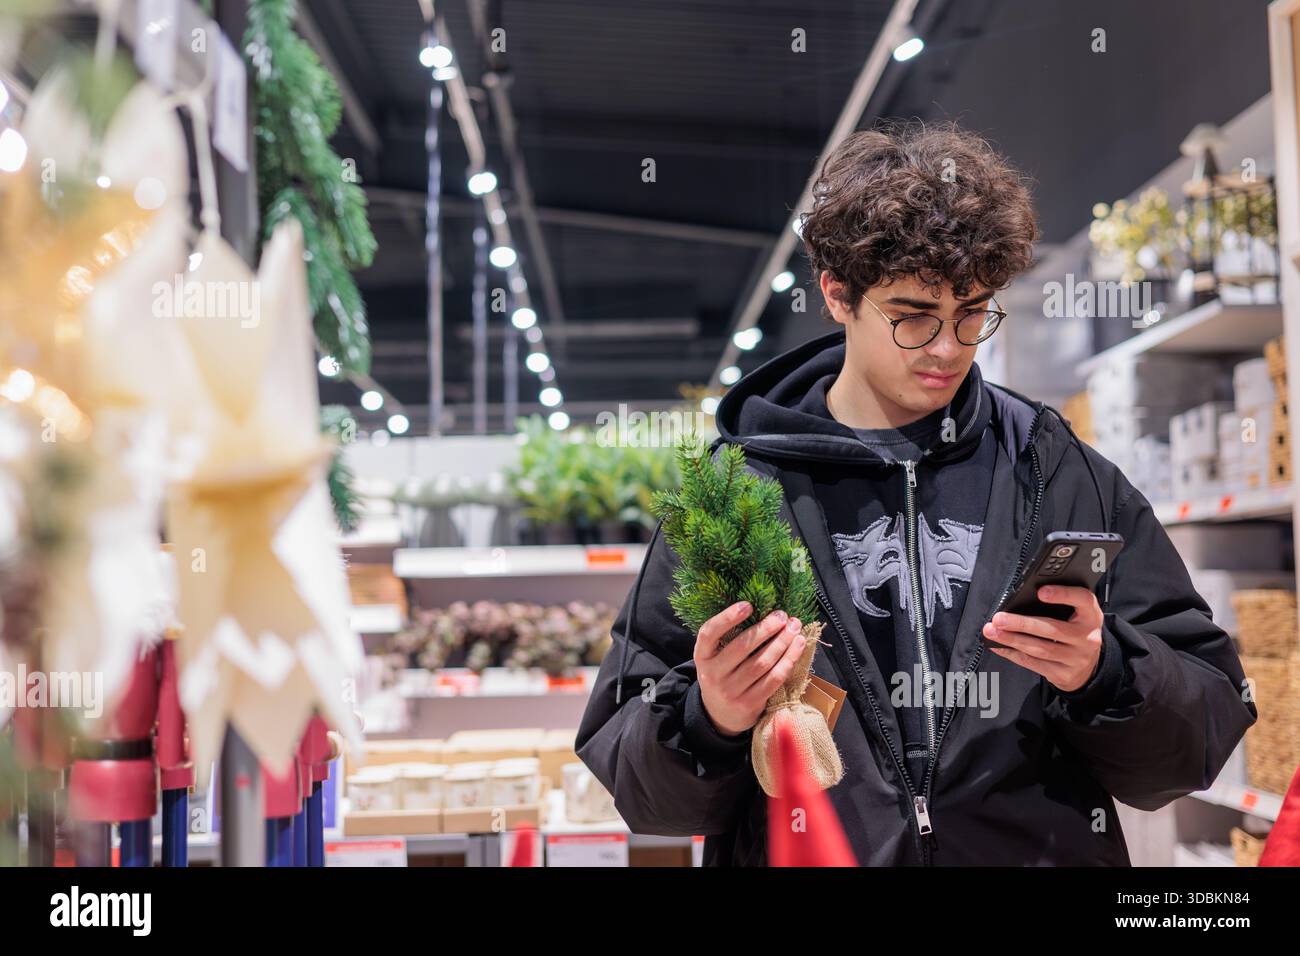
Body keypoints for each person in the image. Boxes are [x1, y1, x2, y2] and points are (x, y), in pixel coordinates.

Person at [575, 120, 1257, 865]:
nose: (947, 349)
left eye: (972, 314)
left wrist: (1108, 671)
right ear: (838, 295)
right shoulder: (738, 494)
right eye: (912, 318)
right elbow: (640, 787)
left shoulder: (1060, 473)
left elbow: (1199, 735)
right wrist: (708, 718)